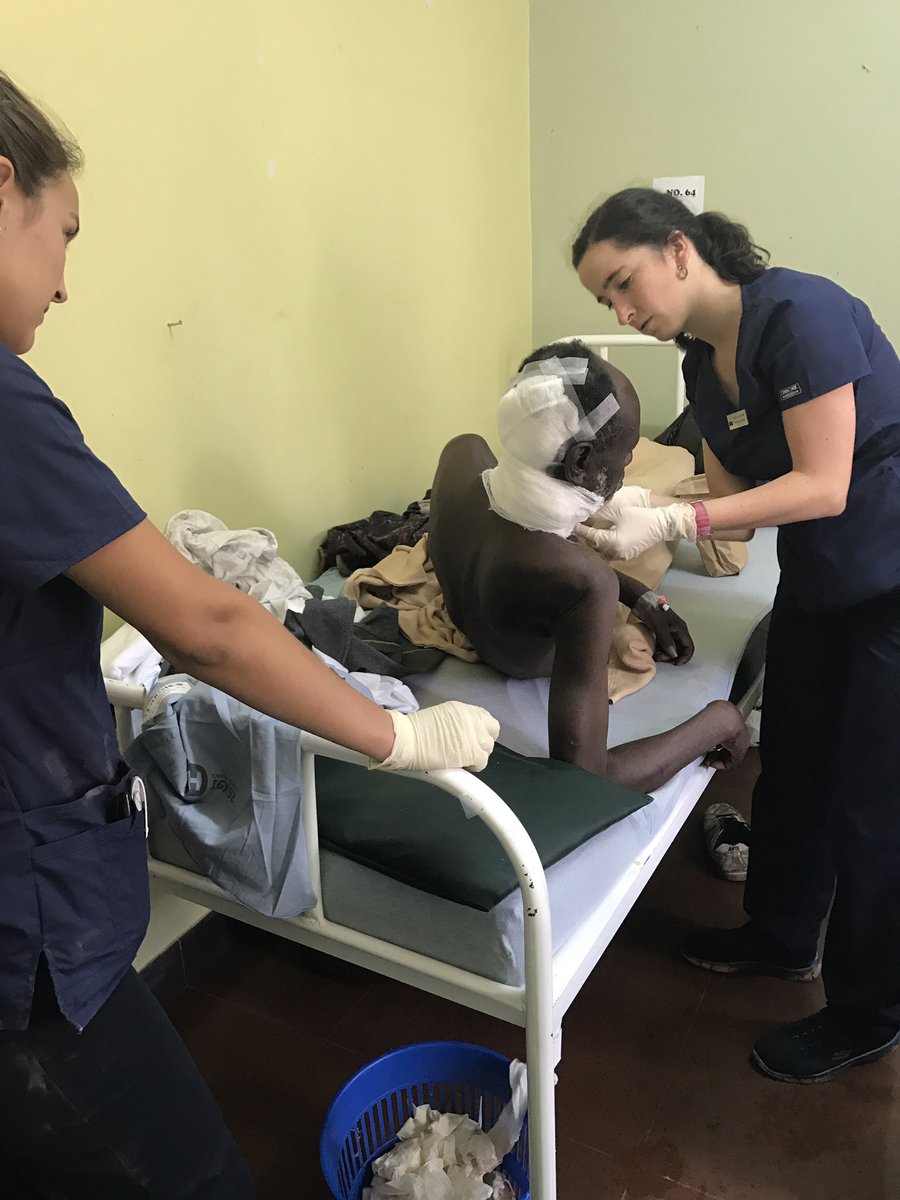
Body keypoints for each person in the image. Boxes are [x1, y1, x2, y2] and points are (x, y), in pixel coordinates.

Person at [0, 71, 500, 1198]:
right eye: (61, 235)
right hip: (27, 943)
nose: (66, 285)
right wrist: (394, 737)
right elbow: (213, 623)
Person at [572, 185, 900, 1083]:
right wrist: (642, 503)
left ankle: (867, 1012)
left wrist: (676, 526)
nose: (624, 310)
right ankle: (783, 935)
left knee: (872, 809)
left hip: (891, 575)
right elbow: (733, 513)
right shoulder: (696, 363)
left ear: (680, 250)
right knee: (791, 762)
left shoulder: (805, 313)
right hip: (823, 582)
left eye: (625, 283)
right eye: (606, 301)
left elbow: (825, 484)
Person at [428, 339, 749, 794]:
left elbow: (532, 561)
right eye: (628, 452)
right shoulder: (585, 582)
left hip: (481, 609)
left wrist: (640, 595)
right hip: (517, 656)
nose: (629, 462)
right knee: (676, 467)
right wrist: (721, 720)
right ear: (580, 462)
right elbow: (586, 776)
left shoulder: (459, 456)